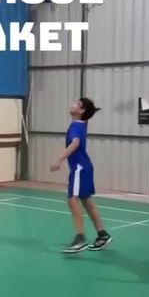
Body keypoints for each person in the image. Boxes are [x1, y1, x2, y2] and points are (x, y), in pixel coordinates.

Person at [50, 98, 112, 253]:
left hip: (79, 168)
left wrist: (59, 160)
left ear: (81, 110)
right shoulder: (82, 124)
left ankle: (80, 239)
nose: (72, 104)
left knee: (72, 200)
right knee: (86, 201)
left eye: (76, 103)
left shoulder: (76, 126)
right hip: (85, 167)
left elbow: (75, 143)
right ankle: (102, 235)